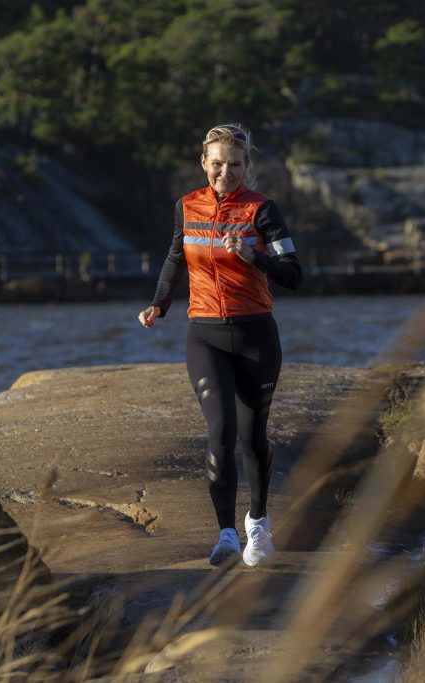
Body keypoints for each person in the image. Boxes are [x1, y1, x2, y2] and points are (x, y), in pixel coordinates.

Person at [137, 123, 303, 567]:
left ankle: (258, 526)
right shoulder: (187, 205)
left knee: (252, 439)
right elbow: (176, 256)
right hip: (205, 333)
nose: (224, 172)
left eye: (234, 165)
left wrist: (253, 255)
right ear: (203, 163)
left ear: (247, 166)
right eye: (217, 164)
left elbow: (293, 273)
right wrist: (159, 305)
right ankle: (226, 535)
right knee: (220, 432)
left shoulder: (262, 211)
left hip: (255, 335)